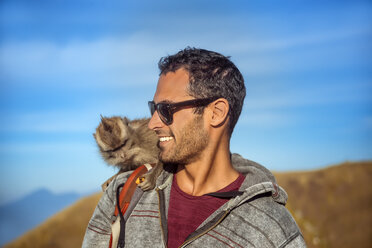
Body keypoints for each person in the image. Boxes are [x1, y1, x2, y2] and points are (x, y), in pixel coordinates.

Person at [82, 48, 306, 247]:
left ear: (216, 113)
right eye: (153, 108)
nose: (152, 123)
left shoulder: (273, 230)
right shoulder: (123, 194)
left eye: (166, 109)